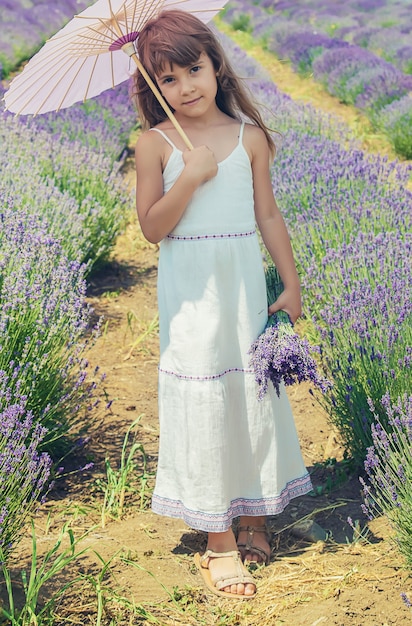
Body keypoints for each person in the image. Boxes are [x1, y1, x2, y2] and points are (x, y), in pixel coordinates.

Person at [133, 9, 312, 599]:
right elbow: (152, 229)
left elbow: (267, 213)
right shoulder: (154, 145)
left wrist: (290, 281)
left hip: (241, 285)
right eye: (169, 79)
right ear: (153, 87)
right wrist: (188, 178)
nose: (185, 87)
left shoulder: (248, 137)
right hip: (192, 295)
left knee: (252, 392)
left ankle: (255, 512)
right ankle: (218, 539)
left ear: (216, 66)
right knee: (206, 398)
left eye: (194, 69)